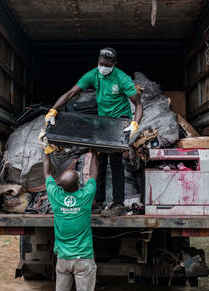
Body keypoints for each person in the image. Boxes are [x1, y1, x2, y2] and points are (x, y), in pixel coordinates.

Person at [45, 47, 143, 216]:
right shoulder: (93, 74)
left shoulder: (122, 78)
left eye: (106, 64)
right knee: (100, 160)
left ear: (114, 64)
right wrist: (53, 110)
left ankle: (118, 204)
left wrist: (135, 123)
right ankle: (97, 201)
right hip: (103, 122)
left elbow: (138, 104)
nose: (102, 67)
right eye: (100, 63)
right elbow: (71, 93)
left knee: (116, 161)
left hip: (120, 121)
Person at [43, 146, 98, 291]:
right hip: (83, 259)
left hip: (63, 259)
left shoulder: (56, 196)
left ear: (61, 185)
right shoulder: (85, 196)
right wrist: (94, 153)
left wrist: (46, 152)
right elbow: (93, 175)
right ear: (79, 184)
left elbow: (47, 174)